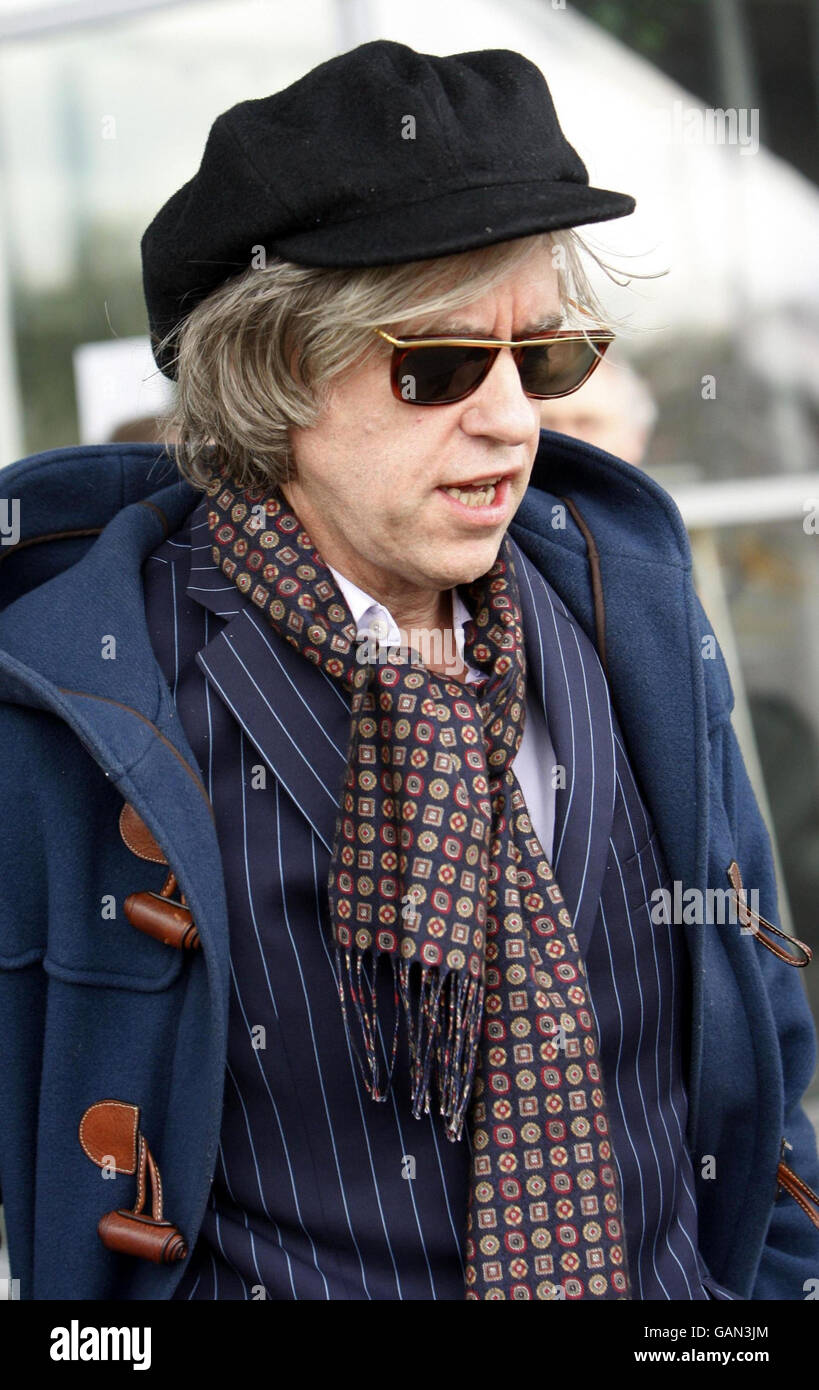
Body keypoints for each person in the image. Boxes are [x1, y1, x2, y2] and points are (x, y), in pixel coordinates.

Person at [0, 39, 817, 1303]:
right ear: (272, 373)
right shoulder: (82, 700)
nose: (510, 416)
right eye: (434, 366)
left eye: (544, 357)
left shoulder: (634, 622)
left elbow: (762, 1046)